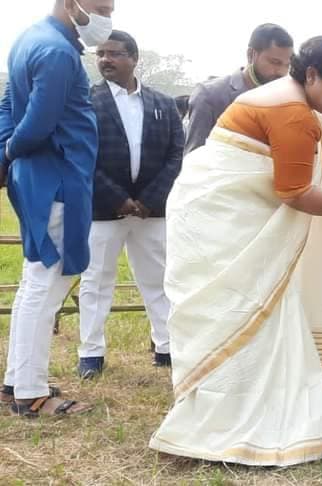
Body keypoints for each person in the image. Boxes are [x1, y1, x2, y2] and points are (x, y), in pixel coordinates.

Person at [148, 36, 322, 466]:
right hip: (226, 226)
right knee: (243, 313)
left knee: (239, 317)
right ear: (312, 75)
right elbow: (294, 192)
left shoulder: (283, 96)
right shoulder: (294, 113)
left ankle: (220, 414)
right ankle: (232, 423)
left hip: (210, 217)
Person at [0, 0, 116, 417]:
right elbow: (38, 122)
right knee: (46, 284)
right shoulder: (58, 52)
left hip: (38, 177)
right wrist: (11, 150)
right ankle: (30, 393)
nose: (106, 19)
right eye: (101, 8)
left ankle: (17, 381)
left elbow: (7, 106)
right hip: (59, 177)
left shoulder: (30, 39)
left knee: (35, 282)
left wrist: (6, 154)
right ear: (71, 3)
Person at [78, 30, 184, 378]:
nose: (105, 59)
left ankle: (166, 347)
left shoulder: (162, 103)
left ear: (134, 58)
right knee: (96, 281)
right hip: (104, 209)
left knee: (159, 279)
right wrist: (118, 199)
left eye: (114, 53)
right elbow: (82, 155)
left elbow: (176, 154)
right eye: (100, 54)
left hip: (152, 210)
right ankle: (91, 354)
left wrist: (148, 199)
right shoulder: (86, 101)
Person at [184, 23, 293, 154]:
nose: (282, 72)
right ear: (251, 54)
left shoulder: (284, 101)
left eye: (287, 65)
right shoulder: (210, 95)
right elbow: (194, 155)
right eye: (275, 62)